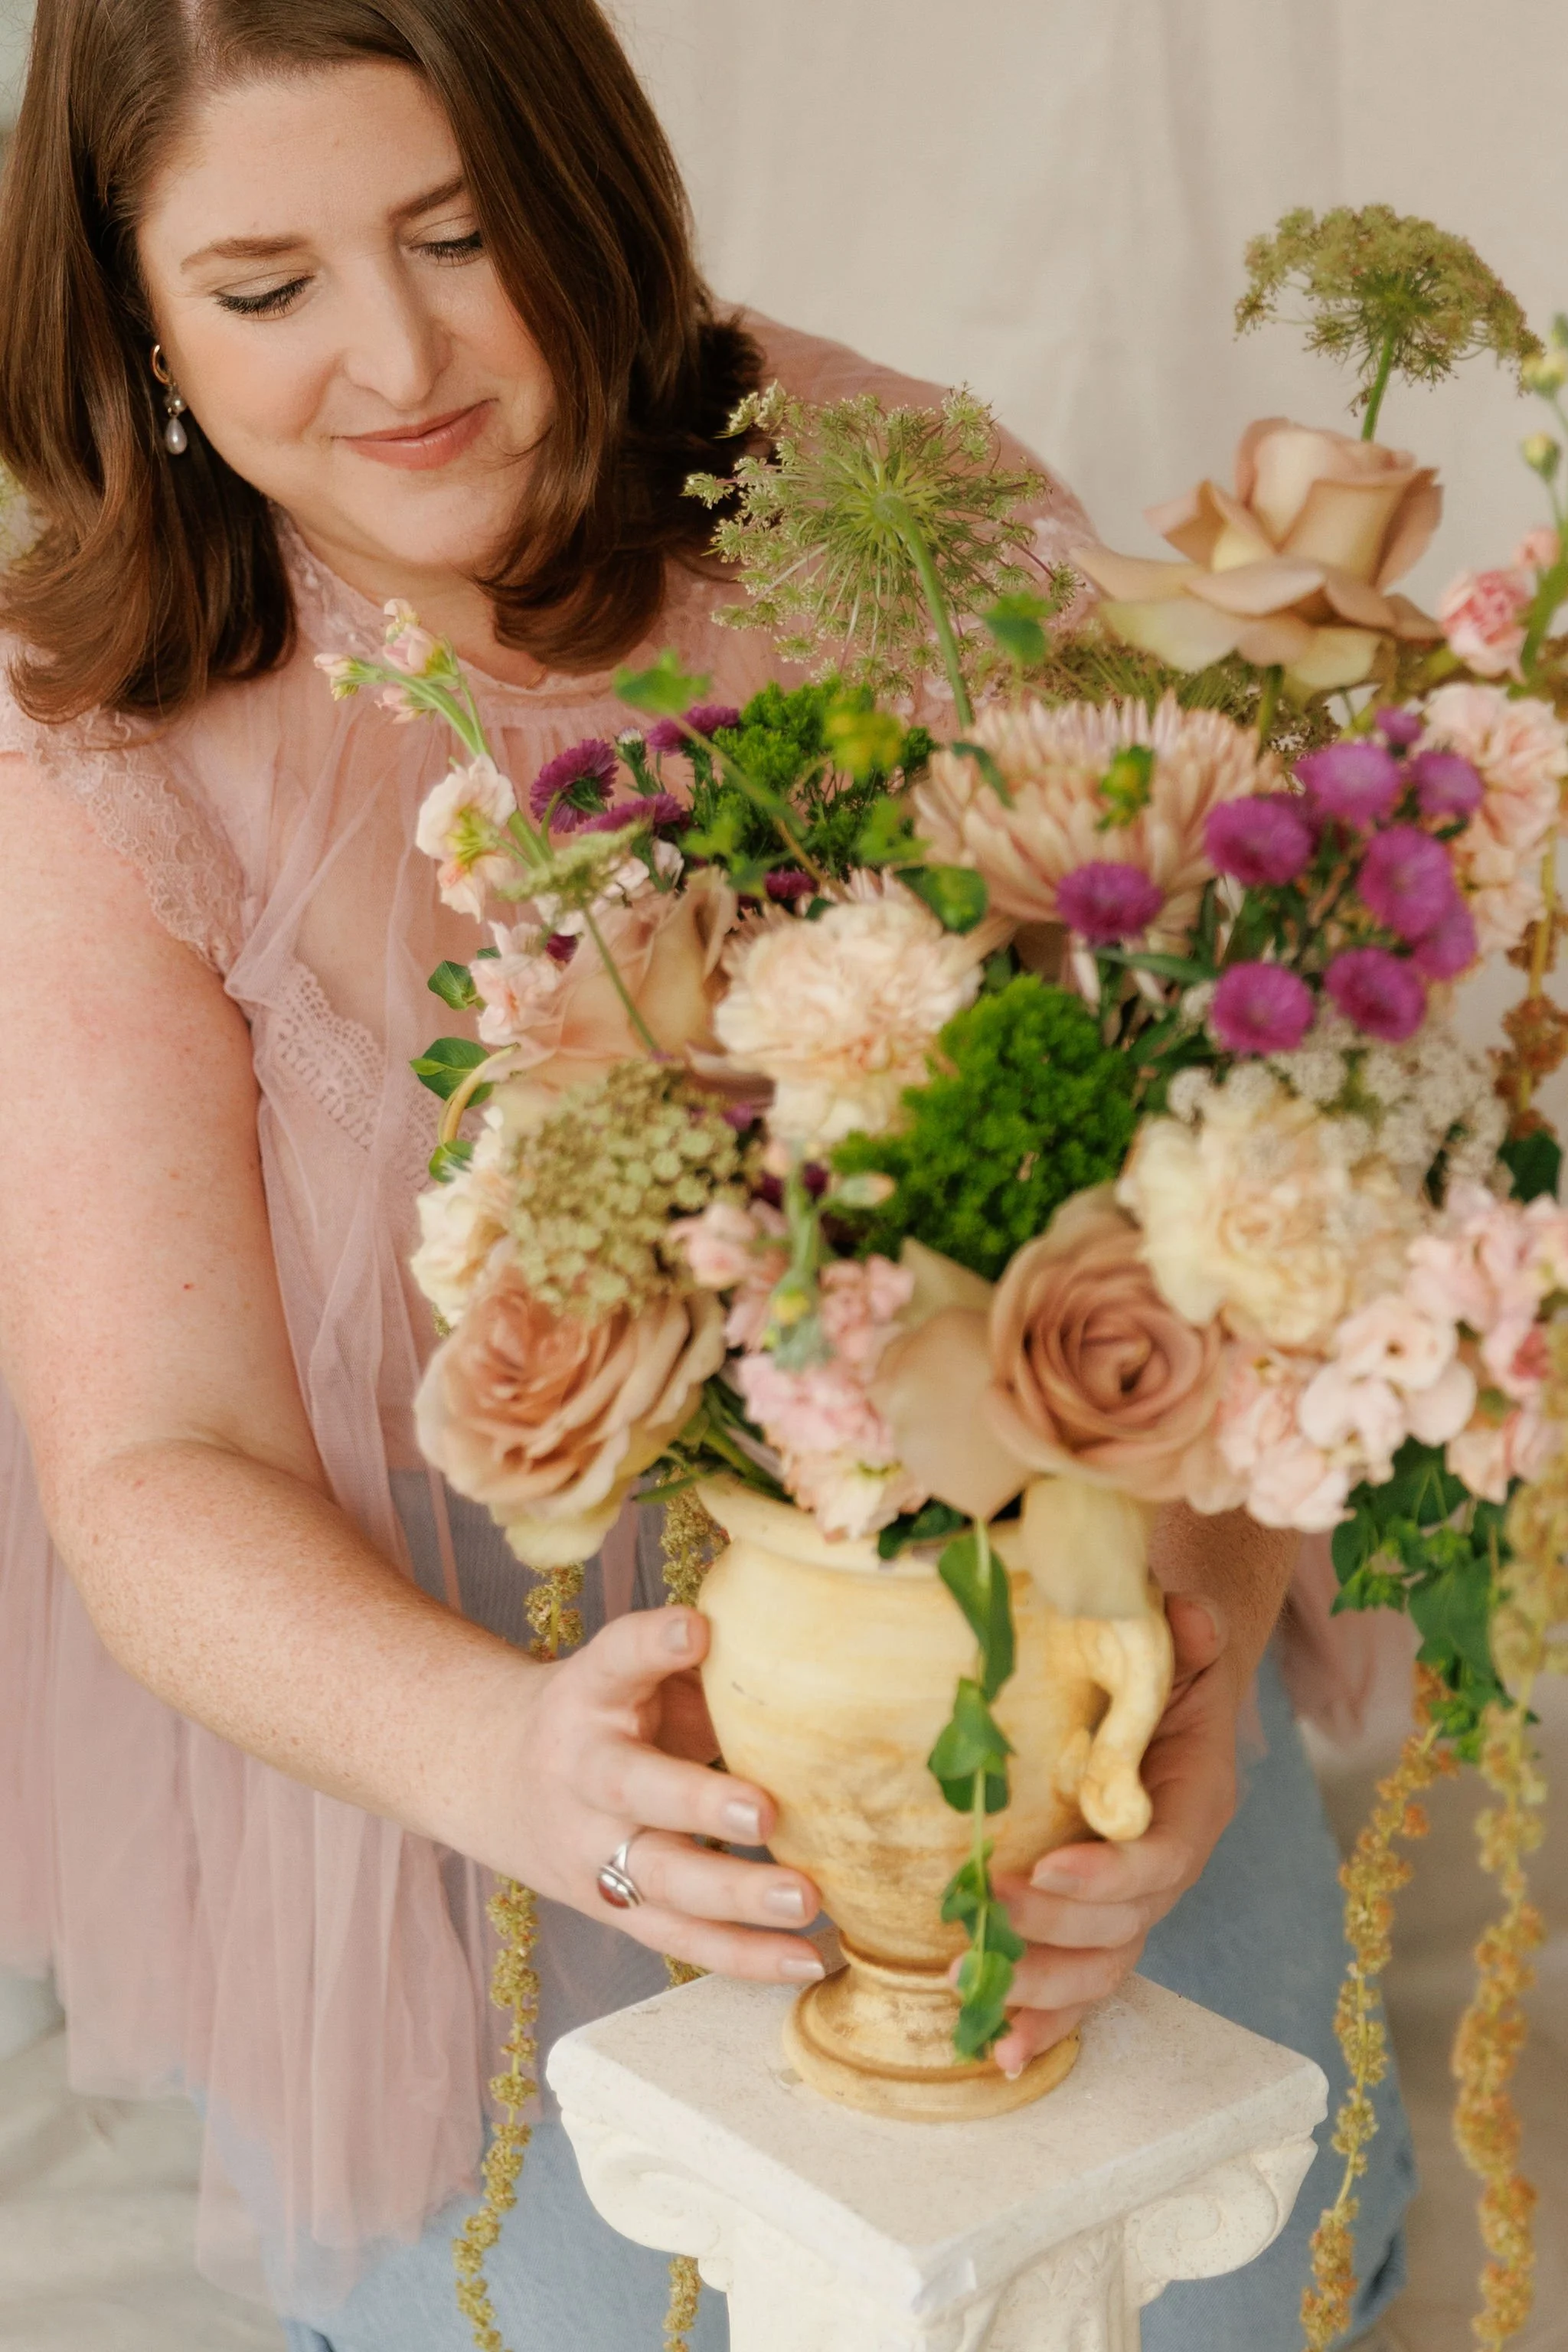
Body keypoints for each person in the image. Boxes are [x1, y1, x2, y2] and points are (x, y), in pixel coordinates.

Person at [0, 2, 1413, 2345]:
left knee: (1213, 2265)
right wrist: (520, 1767)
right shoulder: (98, 748)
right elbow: (160, 1465)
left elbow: (1223, 1183)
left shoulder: (882, 503)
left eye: (464, 234)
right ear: (132, 311)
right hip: (485, 1739)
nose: (402, 358)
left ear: (588, 183)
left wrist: (1202, 1642)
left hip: (1018, 1646)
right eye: (267, 288)